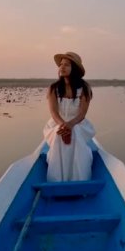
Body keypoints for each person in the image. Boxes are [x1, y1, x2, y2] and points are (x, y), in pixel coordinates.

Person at [43, 52, 95, 182]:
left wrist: (70, 125)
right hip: (57, 122)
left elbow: (82, 114)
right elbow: (54, 113)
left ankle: (79, 179)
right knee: (58, 133)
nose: (62, 67)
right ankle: (56, 180)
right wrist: (63, 125)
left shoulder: (84, 88)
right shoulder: (53, 88)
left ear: (75, 69)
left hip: (78, 123)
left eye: (66, 65)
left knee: (75, 132)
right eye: (61, 65)